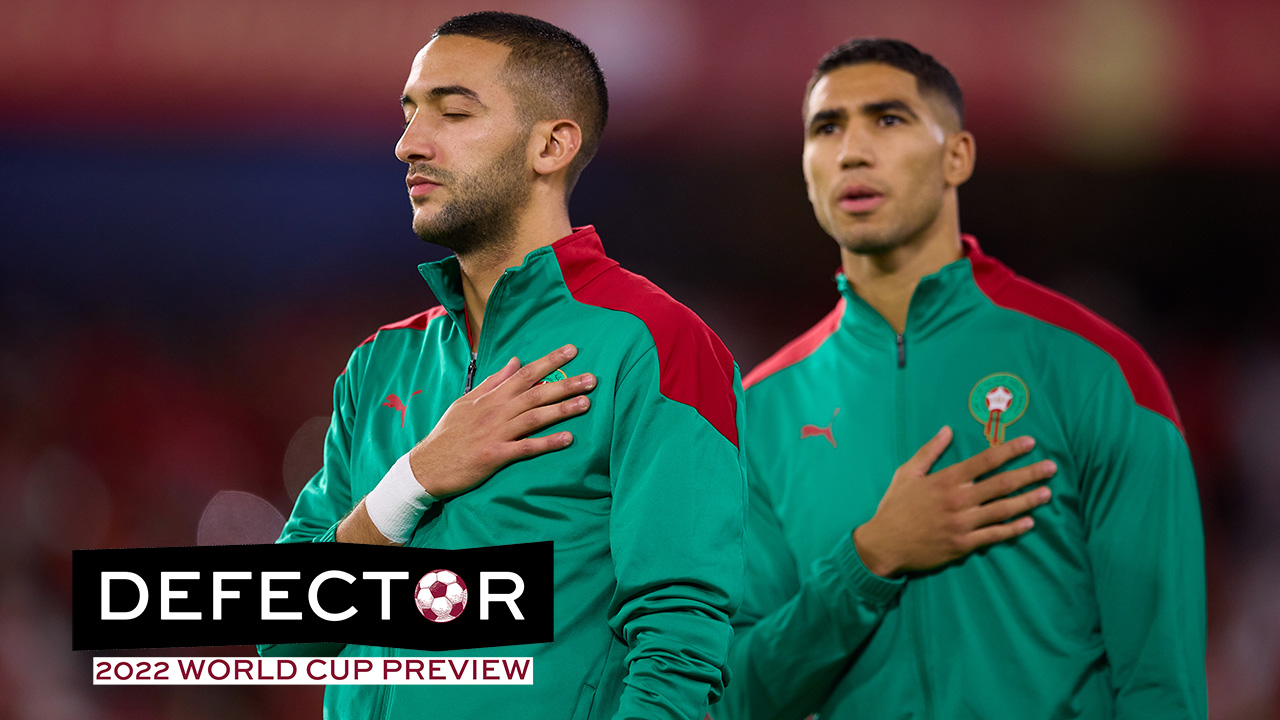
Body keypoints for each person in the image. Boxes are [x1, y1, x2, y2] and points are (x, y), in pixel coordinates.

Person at [258, 12, 749, 719]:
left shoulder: (654, 344)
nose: (408, 144)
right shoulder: (382, 362)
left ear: (552, 145)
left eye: (453, 112)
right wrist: (414, 480)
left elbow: (680, 642)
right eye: (409, 113)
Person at [712, 39, 1207, 719]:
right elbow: (736, 695)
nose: (853, 150)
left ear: (958, 156)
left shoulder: (1098, 369)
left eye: (889, 120)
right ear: (806, 168)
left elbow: (1160, 680)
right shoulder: (760, 411)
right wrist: (869, 559)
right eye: (827, 128)